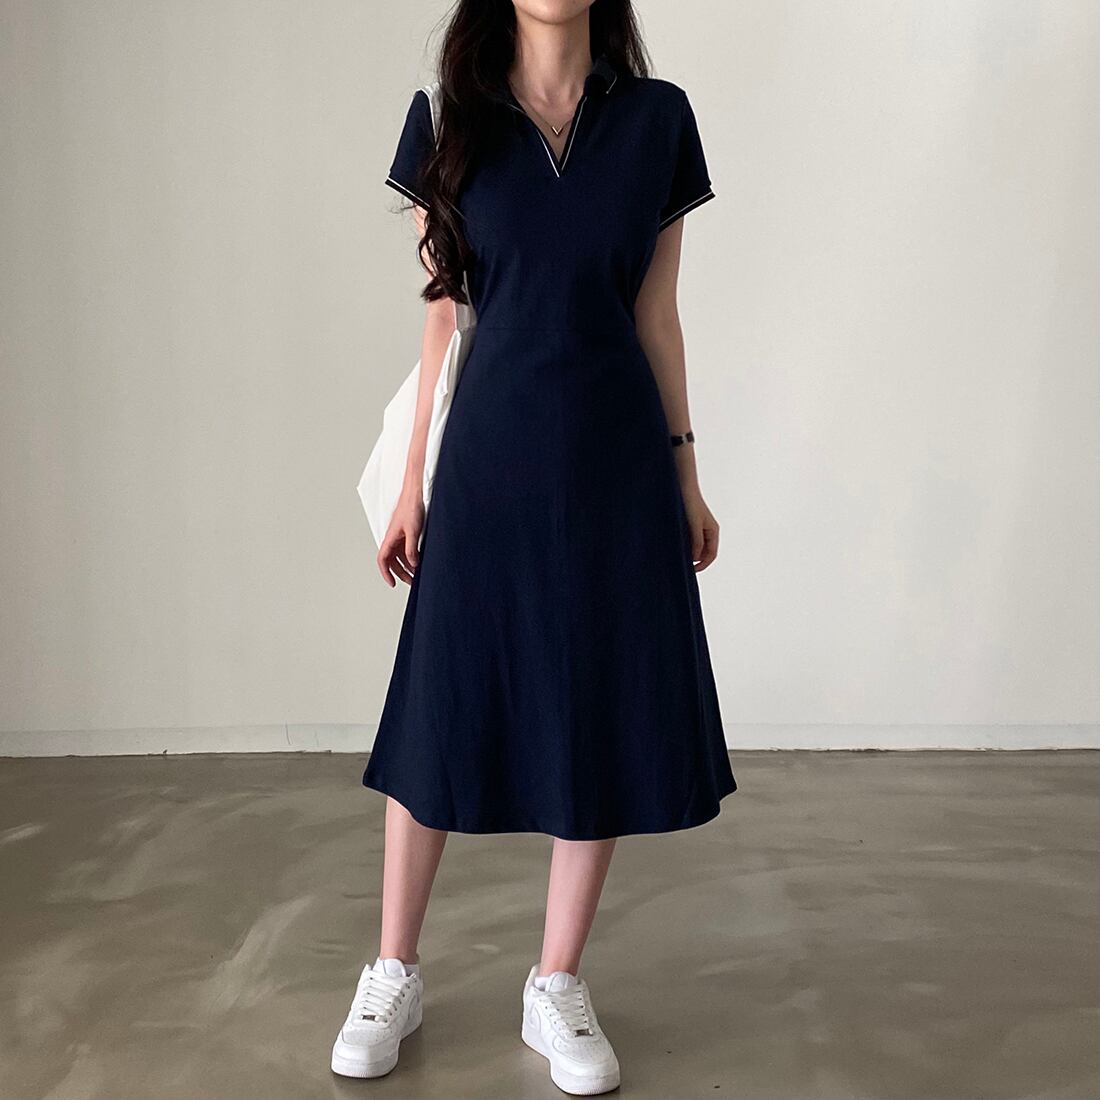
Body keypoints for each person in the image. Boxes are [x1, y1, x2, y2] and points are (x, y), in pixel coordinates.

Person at [332, 1, 736, 1093]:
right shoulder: (451, 119)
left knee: (594, 700)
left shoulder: (656, 121)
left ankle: (554, 980)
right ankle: (392, 966)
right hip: (488, 453)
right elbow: (442, 311)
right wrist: (410, 481)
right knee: (441, 700)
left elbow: (656, 313)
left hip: (616, 457)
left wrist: (685, 472)